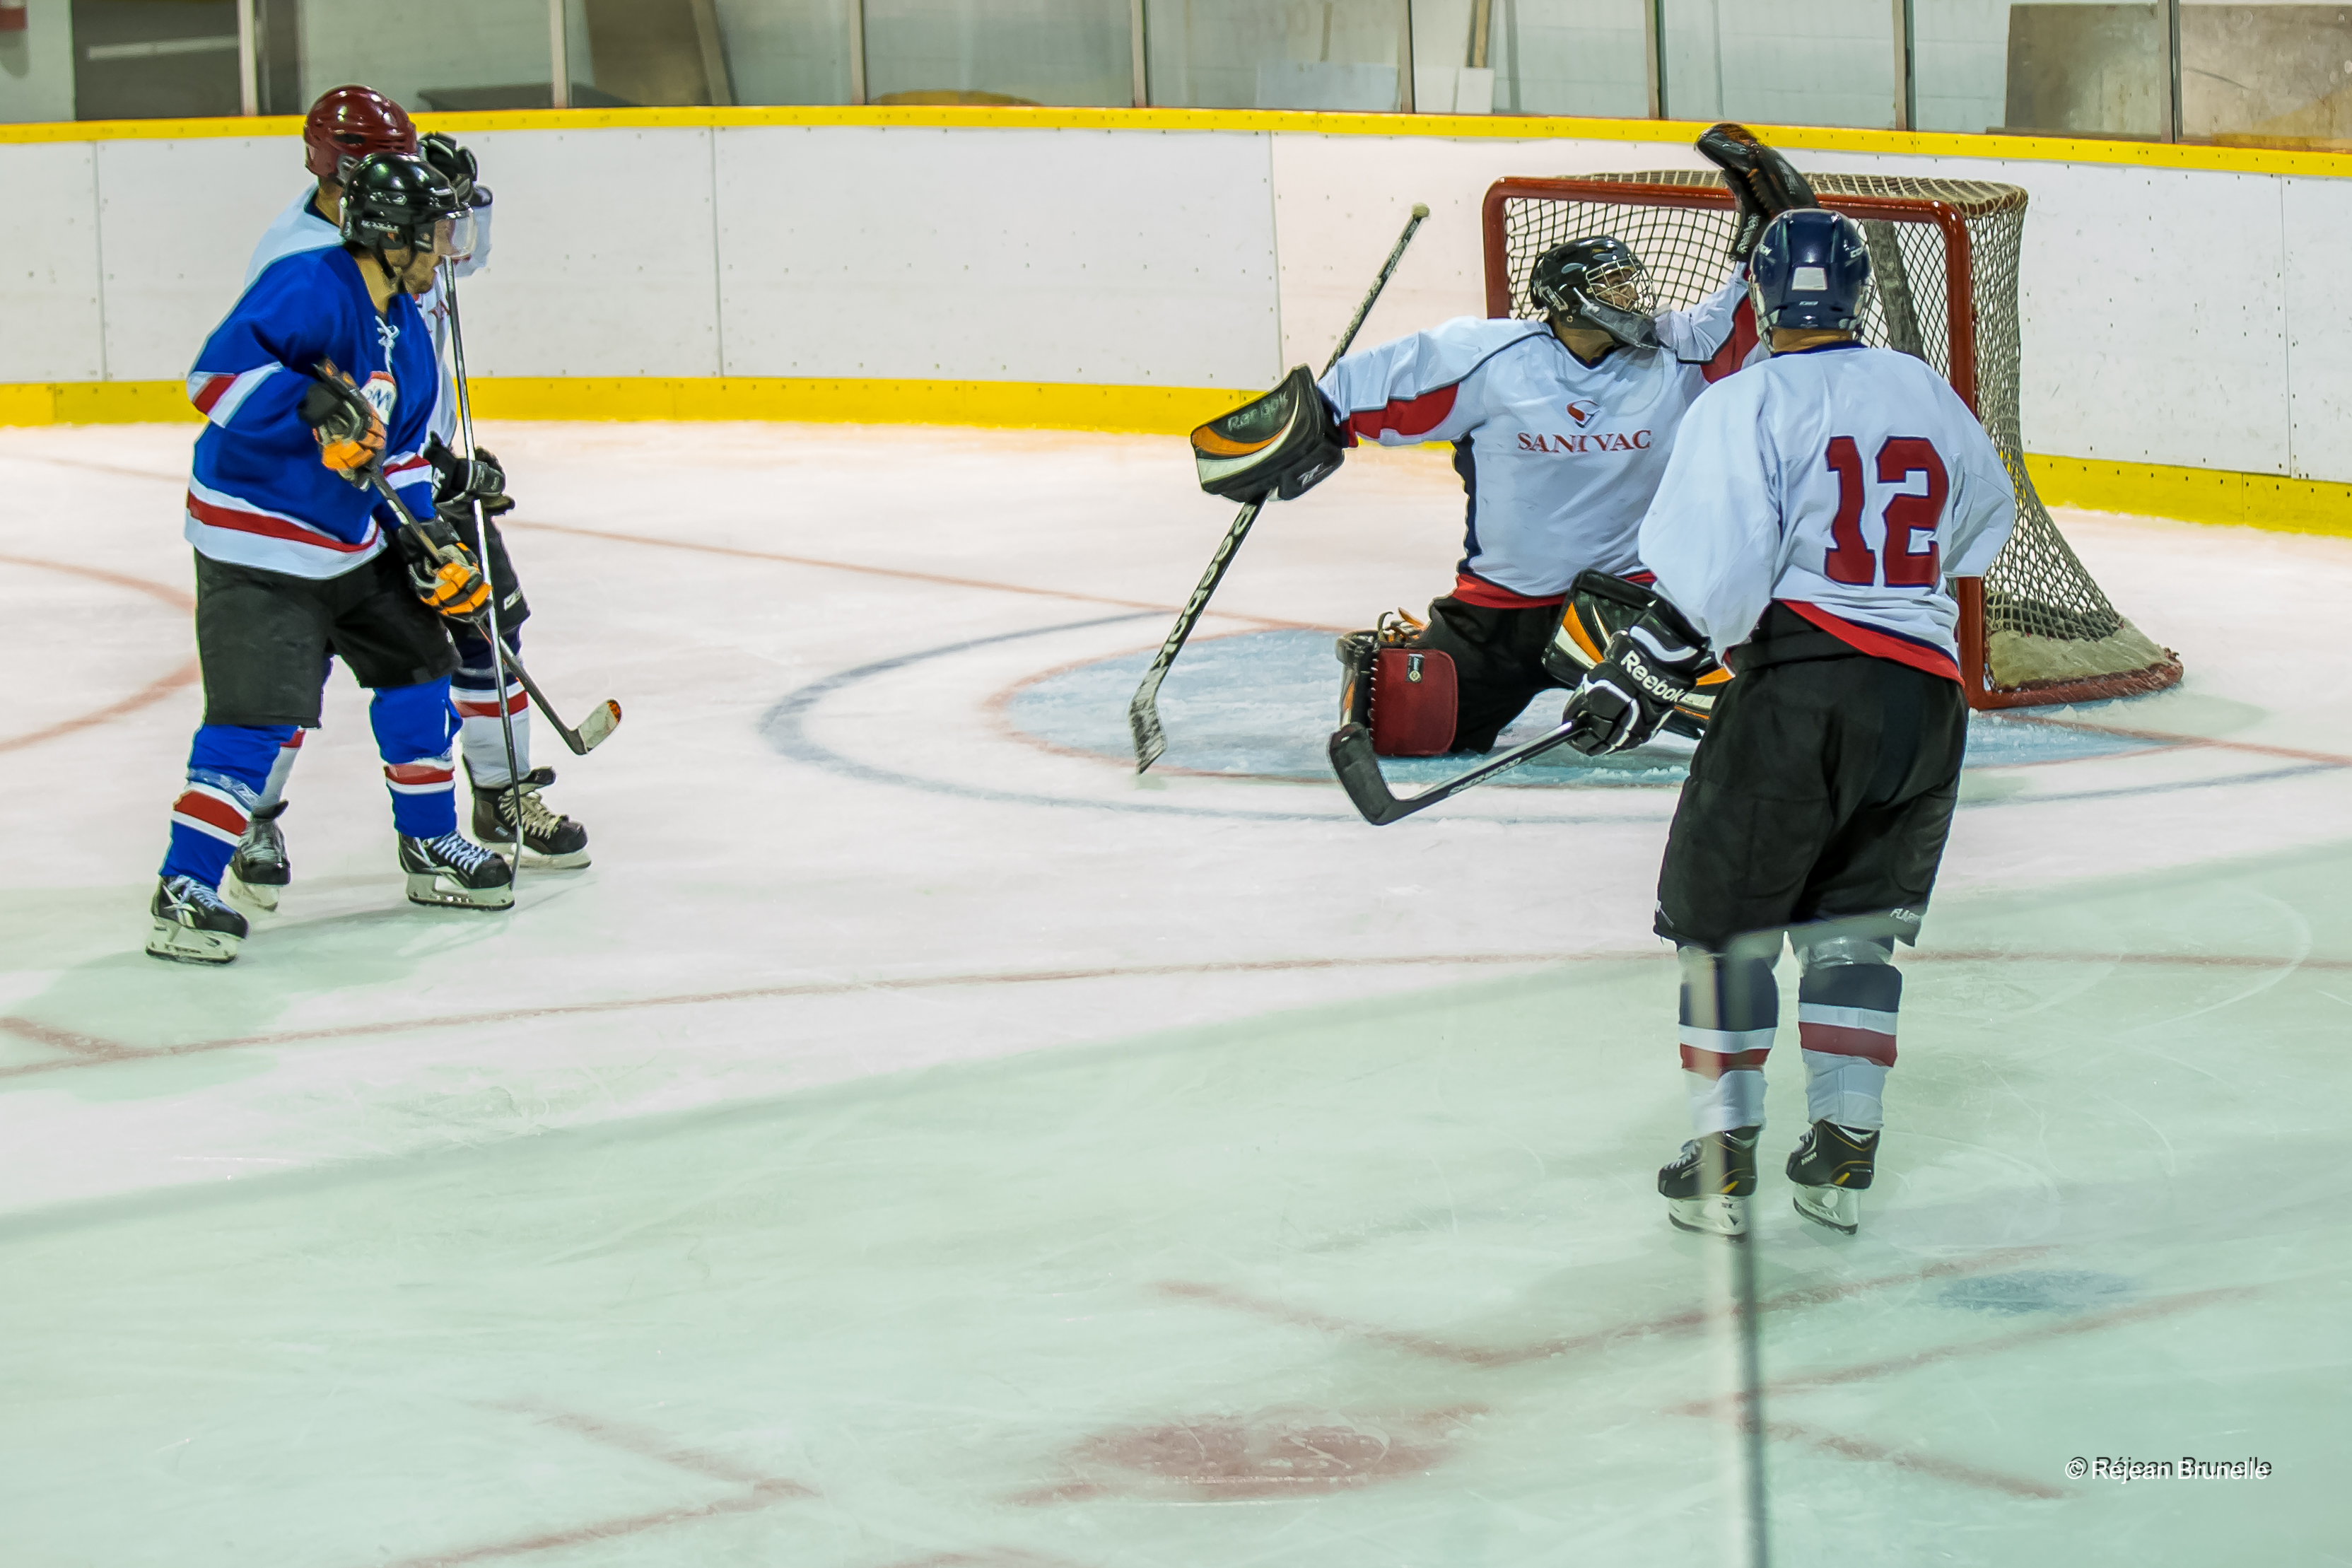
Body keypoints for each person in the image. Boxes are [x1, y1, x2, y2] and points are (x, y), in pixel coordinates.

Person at [1558, 208, 2018, 1236]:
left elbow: (1712, 576)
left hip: (1798, 698)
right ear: (1853, 295)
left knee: (1723, 933)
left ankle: (1722, 1160)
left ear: (1762, 295)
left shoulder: (1745, 398)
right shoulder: (1922, 389)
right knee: (1853, 934)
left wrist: (1635, 672)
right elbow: (1982, 525)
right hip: (1923, 706)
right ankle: (1842, 1152)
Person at [226, 85, 586, 916]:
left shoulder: (397, 227)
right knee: (296, 663)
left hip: (416, 468)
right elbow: (275, 387)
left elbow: (462, 258)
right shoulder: (301, 262)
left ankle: (502, 794)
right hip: (337, 489)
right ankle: (253, 817)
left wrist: (467, 197)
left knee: (480, 624)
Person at [148, 151, 515, 965]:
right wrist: (303, 398)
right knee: (258, 717)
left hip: (350, 540)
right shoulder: (310, 283)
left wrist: (430, 542)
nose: (445, 249)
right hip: (258, 542)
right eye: (434, 234)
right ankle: (185, 887)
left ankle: (428, 846)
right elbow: (213, 379)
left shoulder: (412, 332)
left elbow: (408, 455)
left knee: (419, 671)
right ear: (392, 238)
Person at [1314, 233, 1755, 754]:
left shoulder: (1675, 354)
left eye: (1628, 282)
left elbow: (1741, 323)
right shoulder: (1492, 360)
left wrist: (1761, 237)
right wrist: (1311, 420)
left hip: (1625, 612)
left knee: (1743, 731)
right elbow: (1373, 392)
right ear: (1568, 300)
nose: (1630, 297)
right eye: (1610, 285)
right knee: (1403, 738)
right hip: (1497, 615)